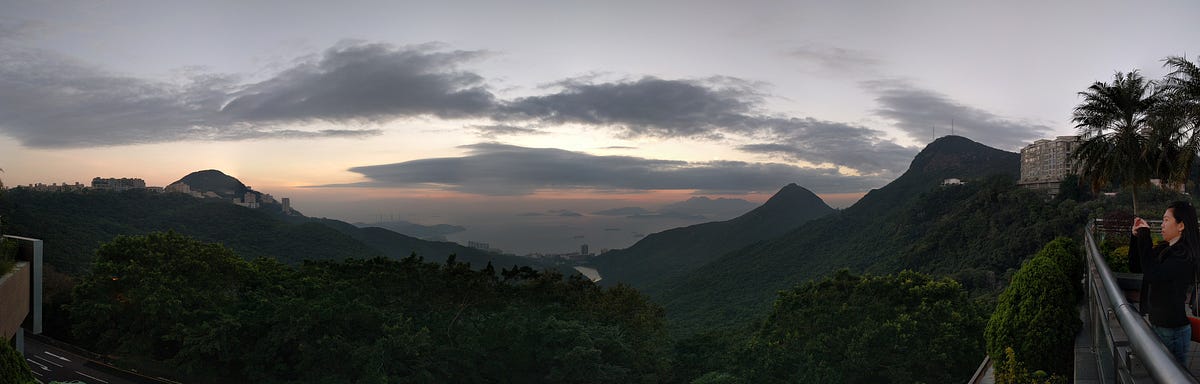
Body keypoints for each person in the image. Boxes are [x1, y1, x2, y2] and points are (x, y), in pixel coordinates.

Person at [1131, 200, 1200, 367]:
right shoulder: (1166, 248)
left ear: (1181, 226)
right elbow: (1136, 266)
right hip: (1159, 325)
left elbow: (1154, 274)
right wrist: (1136, 238)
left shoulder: (1183, 256)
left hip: (1173, 331)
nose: (1162, 225)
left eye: (1166, 220)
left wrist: (1145, 236)